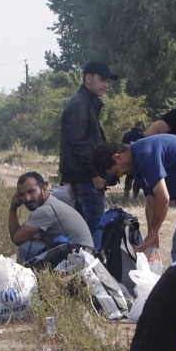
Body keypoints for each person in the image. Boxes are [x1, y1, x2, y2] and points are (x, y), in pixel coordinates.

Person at [92, 134, 176, 262]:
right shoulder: (137, 163)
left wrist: (154, 231)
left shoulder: (145, 153)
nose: (120, 175)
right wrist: (152, 233)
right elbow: (151, 201)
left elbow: (163, 198)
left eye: (116, 171)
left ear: (117, 157)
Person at [59, 60, 118, 235]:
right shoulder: (79, 104)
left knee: (82, 229)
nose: (106, 85)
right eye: (102, 79)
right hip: (87, 179)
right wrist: (95, 173)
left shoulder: (86, 102)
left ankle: (82, 260)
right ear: (88, 78)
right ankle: (93, 262)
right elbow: (78, 143)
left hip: (85, 178)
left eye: (107, 81)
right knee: (95, 229)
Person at [8, 172, 94, 262]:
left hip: (79, 260)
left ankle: (25, 276)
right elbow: (17, 235)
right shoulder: (50, 204)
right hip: (81, 254)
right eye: (22, 195)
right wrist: (13, 209)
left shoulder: (45, 211)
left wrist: (13, 210)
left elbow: (17, 239)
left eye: (31, 192)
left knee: (25, 248)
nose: (27, 198)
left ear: (44, 189)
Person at [121, 121, 146, 199]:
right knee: (138, 176)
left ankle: (126, 191)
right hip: (139, 158)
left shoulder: (127, 135)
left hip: (128, 157)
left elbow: (122, 146)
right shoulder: (143, 136)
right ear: (141, 126)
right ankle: (135, 194)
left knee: (129, 175)